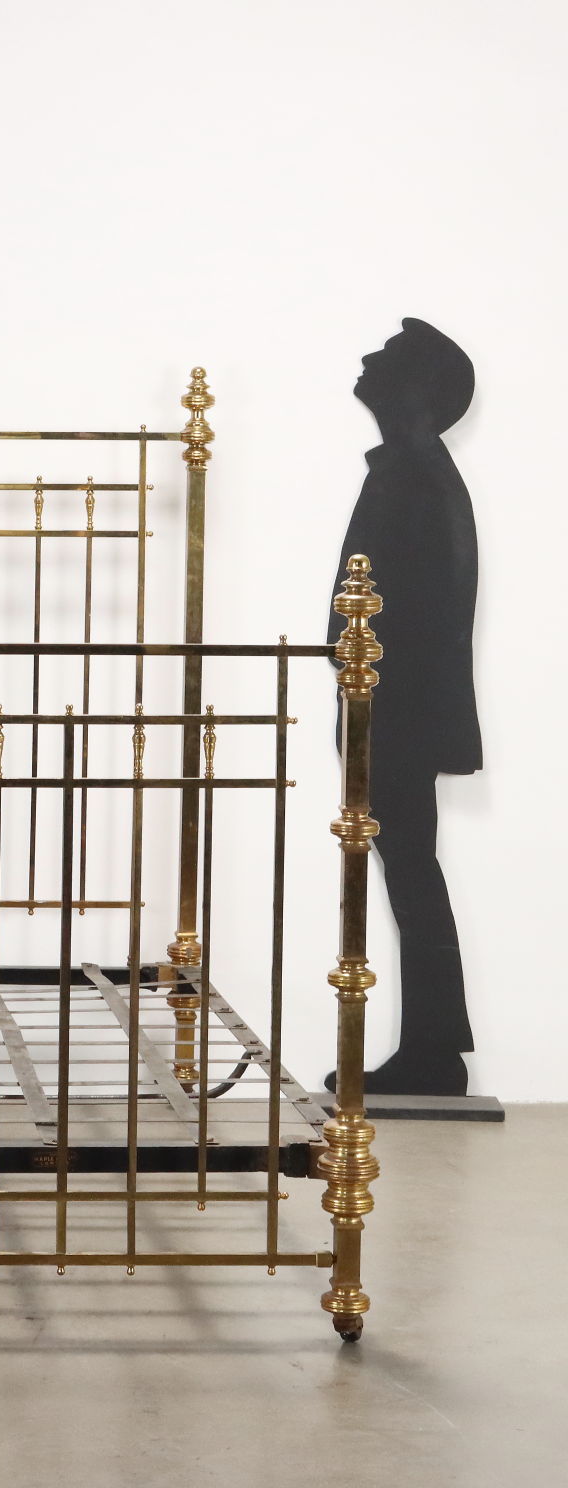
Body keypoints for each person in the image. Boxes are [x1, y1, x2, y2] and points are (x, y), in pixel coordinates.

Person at [326, 318, 480, 1096]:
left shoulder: (415, 476)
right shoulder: (410, 472)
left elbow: (427, 609)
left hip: (398, 712)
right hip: (391, 708)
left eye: (387, 357)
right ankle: (433, 1046)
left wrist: (375, 694)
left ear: (417, 388)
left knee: (411, 869)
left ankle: (435, 1049)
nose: (366, 360)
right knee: (410, 868)